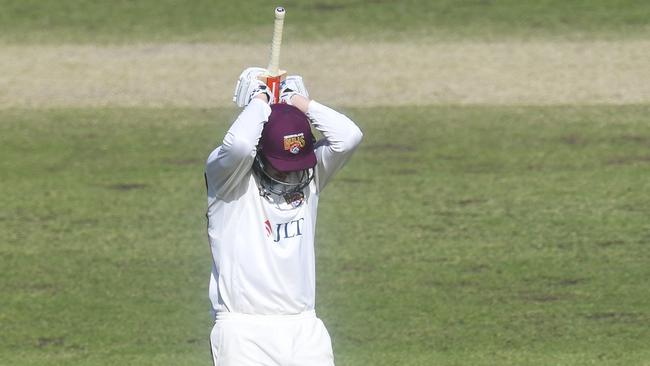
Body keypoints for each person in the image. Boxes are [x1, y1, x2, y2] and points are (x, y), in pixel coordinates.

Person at [204, 67, 363, 366]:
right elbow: (238, 145)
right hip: (243, 332)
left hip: (304, 327)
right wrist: (260, 100)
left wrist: (297, 102)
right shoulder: (229, 182)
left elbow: (349, 136)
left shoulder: (310, 174)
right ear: (260, 153)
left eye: (295, 165)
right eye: (280, 165)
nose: (290, 174)